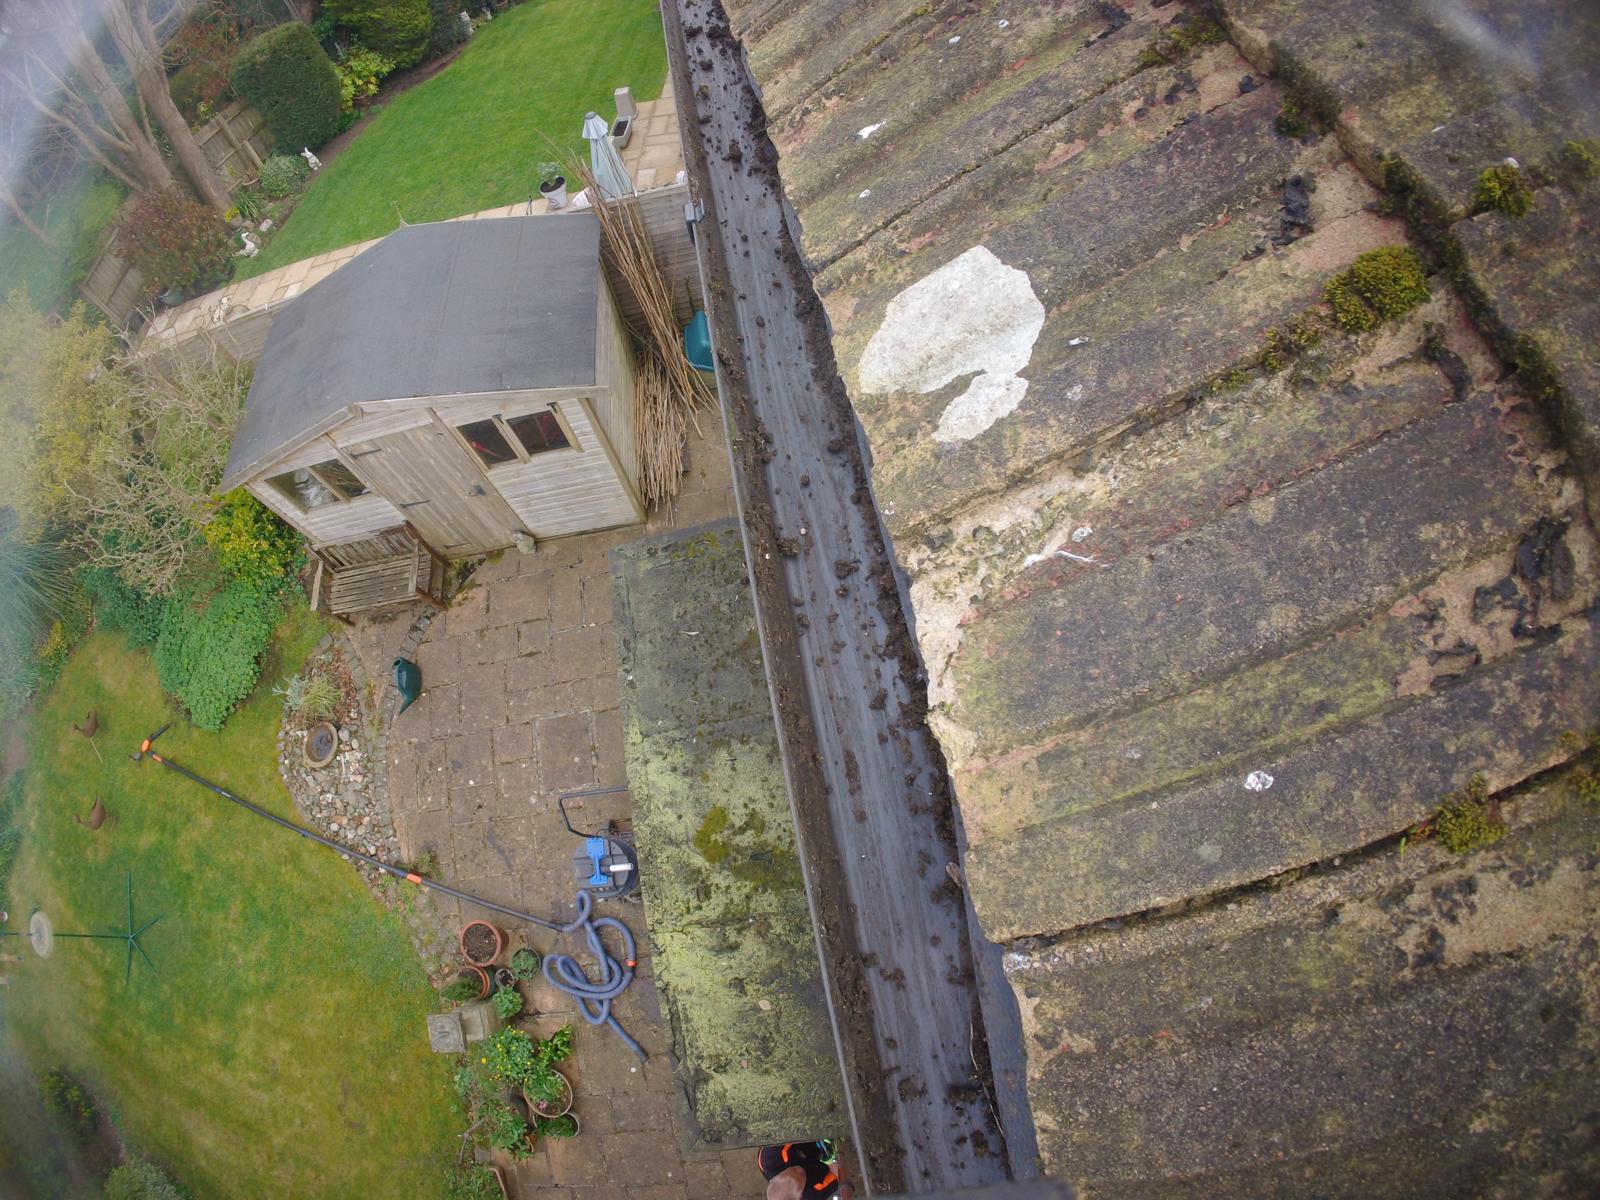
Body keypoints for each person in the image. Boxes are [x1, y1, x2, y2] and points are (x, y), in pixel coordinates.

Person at [757, 1140, 851, 1200]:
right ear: (800, 1196)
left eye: (792, 1170)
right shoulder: (812, 1195)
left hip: (804, 1137)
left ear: (773, 1179)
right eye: (801, 1175)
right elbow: (837, 1173)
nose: (799, 1169)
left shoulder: (769, 1160)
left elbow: (788, 1128)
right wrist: (831, 1157)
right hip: (821, 1156)